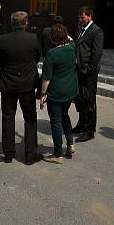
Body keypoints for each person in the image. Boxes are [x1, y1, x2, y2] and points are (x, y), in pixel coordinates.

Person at [0, 11, 41, 164]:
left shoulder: (2, 39)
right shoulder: (33, 38)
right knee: (30, 118)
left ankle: (8, 153)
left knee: (8, 117)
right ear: (26, 23)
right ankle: (30, 155)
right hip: (27, 84)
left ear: (12, 23)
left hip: (8, 83)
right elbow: (37, 58)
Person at [38, 23, 78, 164]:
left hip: (56, 92)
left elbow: (46, 78)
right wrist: (63, 33)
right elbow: (70, 38)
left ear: (52, 38)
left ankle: (57, 154)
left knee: (55, 121)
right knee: (65, 115)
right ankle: (70, 144)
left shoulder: (52, 53)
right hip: (70, 90)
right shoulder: (72, 47)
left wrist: (42, 94)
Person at [72, 6, 104, 142]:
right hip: (79, 69)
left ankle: (90, 130)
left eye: (82, 17)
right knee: (80, 98)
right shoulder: (81, 30)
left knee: (89, 99)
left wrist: (88, 69)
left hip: (88, 72)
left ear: (89, 16)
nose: (80, 19)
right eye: (79, 17)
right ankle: (82, 123)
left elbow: (96, 53)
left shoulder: (96, 31)